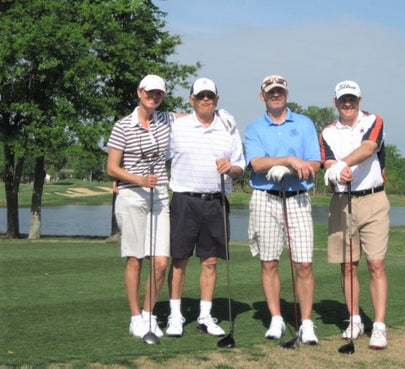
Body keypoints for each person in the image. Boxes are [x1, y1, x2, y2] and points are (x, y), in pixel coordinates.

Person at [165, 78, 246, 337]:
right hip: (184, 200)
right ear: (191, 100)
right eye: (200, 96)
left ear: (217, 100)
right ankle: (175, 316)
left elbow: (240, 166)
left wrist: (229, 168)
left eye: (210, 95)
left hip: (215, 201)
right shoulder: (177, 126)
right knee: (179, 260)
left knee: (210, 262)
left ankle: (204, 316)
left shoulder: (229, 127)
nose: (205, 99)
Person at [244, 75, 321, 345]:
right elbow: (255, 163)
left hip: (297, 197)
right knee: (269, 262)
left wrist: (295, 168)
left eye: (280, 91)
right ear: (262, 96)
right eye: (270, 92)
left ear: (286, 93)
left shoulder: (303, 124)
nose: (276, 95)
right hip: (265, 197)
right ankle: (276, 318)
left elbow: (315, 162)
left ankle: (307, 323)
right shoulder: (254, 128)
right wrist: (288, 160)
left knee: (303, 264)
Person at [320, 80, 389, 350]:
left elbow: (369, 147)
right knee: (347, 265)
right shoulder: (327, 132)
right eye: (343, 99)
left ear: (360, 100)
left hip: (373, 199)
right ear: (335, 102)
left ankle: (379, 326)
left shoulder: (374, 120)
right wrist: (336, 172)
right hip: (342, 201)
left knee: (376, 264)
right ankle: (354, 319)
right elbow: (325, 161)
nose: (347, 103)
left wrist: (340, 166)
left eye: (352, 99)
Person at [107, 74, 173, 339]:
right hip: (132, 196)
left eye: (158, 93)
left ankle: (149, 313)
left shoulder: (166, 120)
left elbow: (190, 115)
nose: (153, 96)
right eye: (150, 92)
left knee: (160, 263)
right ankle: (136, 318)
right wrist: (138, 179)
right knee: (135, 258)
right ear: (139, 92)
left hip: (159, 197)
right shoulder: (122, 126)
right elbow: (112, 167)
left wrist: (218, 112)